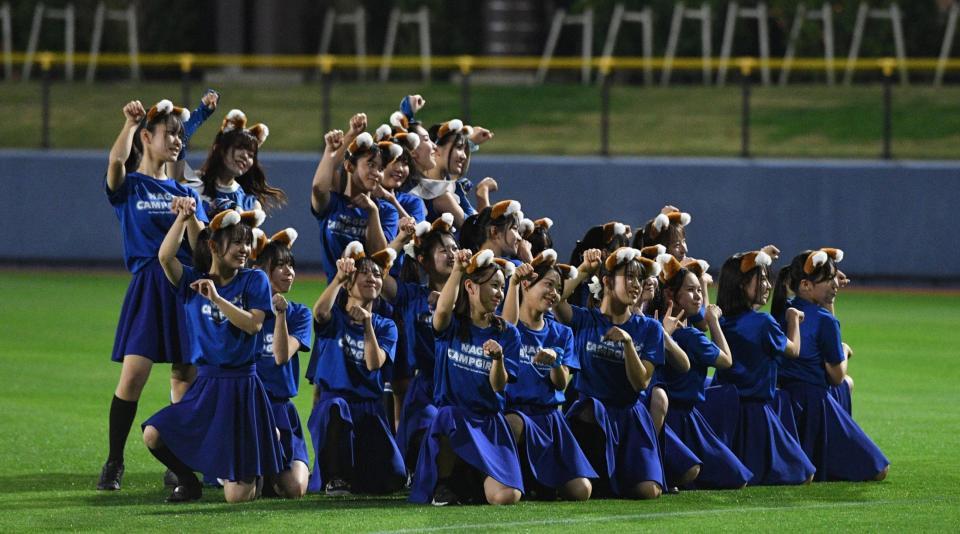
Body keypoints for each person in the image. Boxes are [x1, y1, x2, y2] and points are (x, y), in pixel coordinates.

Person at [98, 99, 208, 491]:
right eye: (169, 133)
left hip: (181, 285)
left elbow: (201, 253)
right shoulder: (131, 186)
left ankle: (178, 459)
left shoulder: (183, 189)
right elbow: (114, 165)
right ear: (147, 137)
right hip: (147, 285)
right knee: (134, 375)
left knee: (184, 374)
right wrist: (128, 124)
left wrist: (191, 216)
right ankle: (114, 462)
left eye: (181, 134)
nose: (177, 140)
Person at [143, 207, 282, 503]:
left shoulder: (254, 280)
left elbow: (254, 325)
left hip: (242, 386)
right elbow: (165, 257)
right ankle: (187, 481)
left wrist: (217, 298)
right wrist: (183, 218)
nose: (244, 249)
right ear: (214, 246)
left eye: (247, 242)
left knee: (238, 497)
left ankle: (259, 462)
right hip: (206, 385)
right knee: (153, 434)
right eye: (236, 242)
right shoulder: (193, 281)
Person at [409, 249, 524, 506]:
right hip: (456, 420)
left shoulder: (508, 333)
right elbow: (441, 311)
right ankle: (446, 482)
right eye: (494, 286)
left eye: (502, 287)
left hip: (488, 422)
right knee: (448, 414)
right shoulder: (451, 326)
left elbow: (499, 385)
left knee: (506, 496)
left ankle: (469, 479)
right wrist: (459, 270)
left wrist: (498, 359)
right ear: (471, 287)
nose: (499, 293)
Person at [555, 247, 667, 499]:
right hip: (590, 417)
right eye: (629, 276)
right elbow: (556, 301)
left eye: (639, 278)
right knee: (588, 410)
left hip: (629, 417)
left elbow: (641, 383)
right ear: (606, 281)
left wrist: (628, 344)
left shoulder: (649, 328)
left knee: (648, 491)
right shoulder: (585, 319)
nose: (636, 284)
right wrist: (583, 270)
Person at [771, 249, 889, 481]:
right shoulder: (825, 320)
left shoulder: (783, 308)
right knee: (879, 470)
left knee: (847, 384)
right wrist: (844, 351)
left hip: (785, 402)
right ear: (805, 285)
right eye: (828, 279)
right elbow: (835, 375)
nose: (835, 283)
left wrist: (828, 292)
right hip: (815, 404)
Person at [305, 243, 406, 495]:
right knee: (336, 408)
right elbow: (319, 313)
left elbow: (374, 363)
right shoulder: (335, 317)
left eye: (376, 274)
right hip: (336, 405)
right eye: (365, 273)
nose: (372, 278)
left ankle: (354, 474)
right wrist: (338, 278)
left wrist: (368, 325)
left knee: (393, 479)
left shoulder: (386, 326)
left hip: (369, 408)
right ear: (350, 284)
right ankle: (335, 477)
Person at [711, 250, 816, 485]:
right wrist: (792, 320)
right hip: (756, 415)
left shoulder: (724, 321)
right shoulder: (763, 322)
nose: (768, 285)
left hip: (726, 412)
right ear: (741, 285)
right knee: (805, 474)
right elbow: (794, 350)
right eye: (762, 279)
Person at [501, 250, 597, 501]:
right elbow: (506, 331)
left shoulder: (562, 333)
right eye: (548, 284)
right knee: (512, 424)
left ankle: (540, 480)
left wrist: (555, 363)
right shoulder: (511, 324)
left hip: (551, 419)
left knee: (581, 491)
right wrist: (511, 284)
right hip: (517, 412)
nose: (554, 293)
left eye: (558, 288)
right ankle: (509, 477)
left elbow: (562, 383)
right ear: (526, 285)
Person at [653, 255, 753, 489]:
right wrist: (713, 320)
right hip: (683, 419)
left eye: (699, 290)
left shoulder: (656, 325)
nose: (698, 295)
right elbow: (726, 361)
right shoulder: (692, 337)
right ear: (670, 295)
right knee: (735, 476)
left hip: (668, 415)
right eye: (691, 290)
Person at [382, 214, 458, 473]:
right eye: (443, 250)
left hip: (459, 383)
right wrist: (401, 239)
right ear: (423, 260)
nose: (452, 253)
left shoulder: (471, 294)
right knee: (421, 432)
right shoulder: (412, 295)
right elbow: (376, 275)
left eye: (454, 248)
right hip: (425, 385)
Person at [251, 228, 313, 498]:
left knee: (296, 488)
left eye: (291, 265)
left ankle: (266, 471)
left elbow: (281, 355)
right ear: (262, 270)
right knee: (245, 493)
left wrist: (279, 315)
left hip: (281, 409)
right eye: (280, 266)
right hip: (250, 408)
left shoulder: (298, 313)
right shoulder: (246, 311)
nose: (289, 272)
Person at [311, 120, 398, 281]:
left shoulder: (385, 211)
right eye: (371, 165)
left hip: (372, 302)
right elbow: (318, 188)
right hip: (335, 299)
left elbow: (379, 258)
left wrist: (372, 212)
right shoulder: (333, 204)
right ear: (350, 167)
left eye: (380, 168)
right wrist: (330, 151)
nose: (377, 173)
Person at [193, 109, 286, 214]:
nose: (245, 156)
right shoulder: (194, 182)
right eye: (240, 148)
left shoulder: (250, 204)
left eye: (251, 155)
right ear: (220, 149)